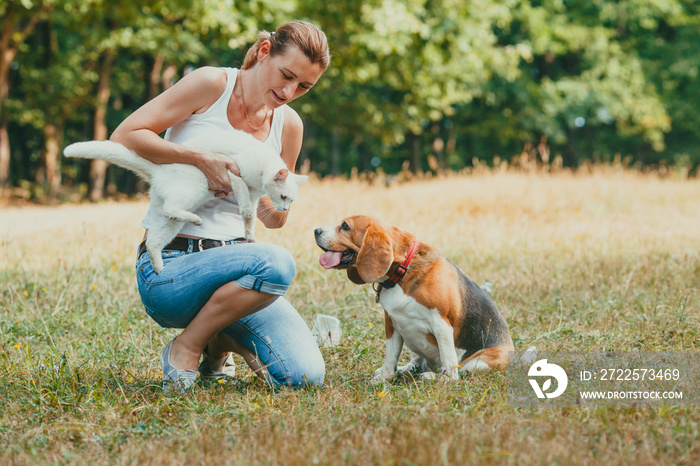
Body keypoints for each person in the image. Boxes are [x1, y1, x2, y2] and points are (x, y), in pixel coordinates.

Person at [109, 20, 330, 392]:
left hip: (241, 275)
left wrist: (267, 193)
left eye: (304, 86)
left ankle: (219, 341)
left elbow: (274, 219)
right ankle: (186, 348)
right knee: (277, 262)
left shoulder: (289, 125)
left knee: (304, 376)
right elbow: (124, 136)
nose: (290, 91)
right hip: (172, 269)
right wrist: (200, 160)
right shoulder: (212, 84)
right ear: (264, 52)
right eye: (287, 75)